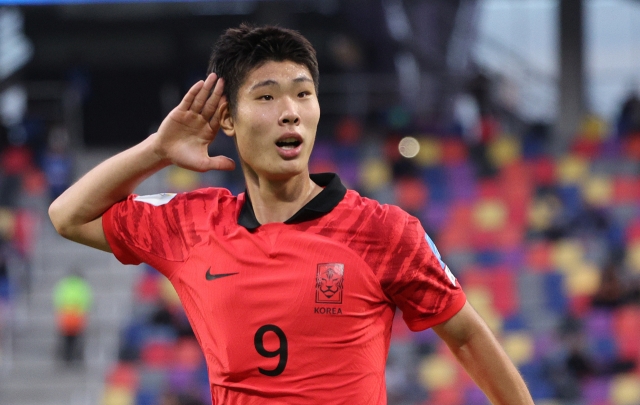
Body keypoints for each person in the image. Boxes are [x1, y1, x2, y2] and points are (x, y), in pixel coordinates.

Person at [49, 24, 533, 404]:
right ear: (228, 120)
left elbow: (466, 334)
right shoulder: (192, 225)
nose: (290, 111)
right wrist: (158, 149)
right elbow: (68, 215)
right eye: (266, 96)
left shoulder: (384, 231)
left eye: (303, 93)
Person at [53, 269, 93, 365]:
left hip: (66, 314)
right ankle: (77, 359)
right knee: (77, 339)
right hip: (77, 315)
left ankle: (67, 359)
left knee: (66, 340)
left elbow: (58, 299)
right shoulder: (82, 285)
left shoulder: (64, 284)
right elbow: (87, 300)